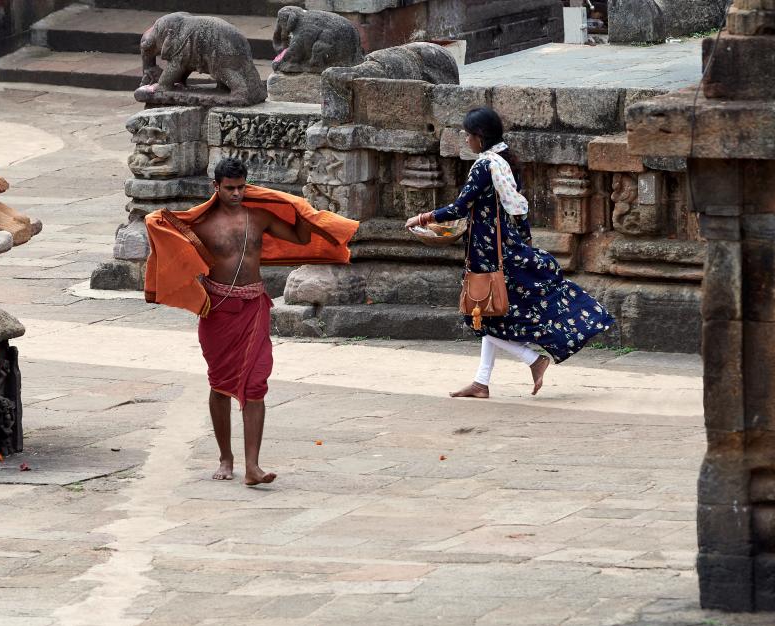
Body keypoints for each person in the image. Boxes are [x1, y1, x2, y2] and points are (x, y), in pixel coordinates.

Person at [144, 158, 359, 485]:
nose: (237, 193)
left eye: (241, 187)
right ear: (216, 187)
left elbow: (300, 238)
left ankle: (253, 467)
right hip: (218, 311)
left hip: (254, 307)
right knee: (219, 384)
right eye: (230, 188)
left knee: (256, 384)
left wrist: (302, 210)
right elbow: (170, 242)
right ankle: (225, 457)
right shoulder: (201, 225)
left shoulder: (258, 216)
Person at [406, 108, 615, 399]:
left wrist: (423, 217)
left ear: (480, 138)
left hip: (487, 251)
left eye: (468, 136)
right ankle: (481, 382)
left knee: (479, 313)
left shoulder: (483, 165)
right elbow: (518, 208)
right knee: (491, 312)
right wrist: (524, 243)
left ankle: (533, 359)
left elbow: (459, 208)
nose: (466, 141)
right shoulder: (504, 160)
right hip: (506, 244)